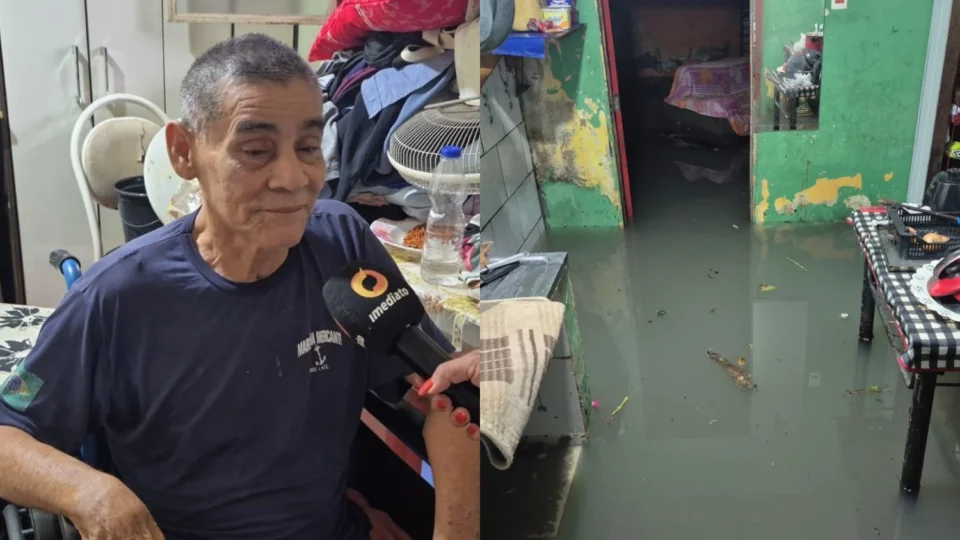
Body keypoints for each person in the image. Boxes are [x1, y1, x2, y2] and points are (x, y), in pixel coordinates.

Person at [0, 34, 478, 540]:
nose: (294, 178)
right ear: (184, 153)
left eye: (309, 147)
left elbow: (445, 396)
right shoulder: (117, 297)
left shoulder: (341, 242)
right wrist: (89, 492)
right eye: (256, 151)